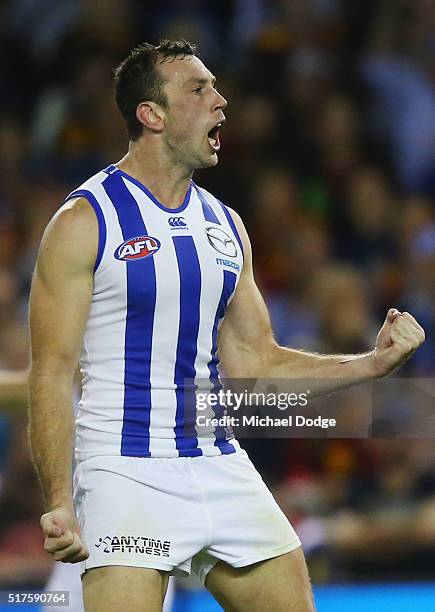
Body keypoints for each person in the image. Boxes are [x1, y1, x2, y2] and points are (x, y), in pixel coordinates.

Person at [28, 40, 425, 612]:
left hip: (218, 460)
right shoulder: (85, 220)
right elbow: (52, 370)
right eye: (199, 89)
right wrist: (60, 500)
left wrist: (371, 364)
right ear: (152, 114)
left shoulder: (225, 224)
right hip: (124, 472)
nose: (221, 101)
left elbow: (256, 362)